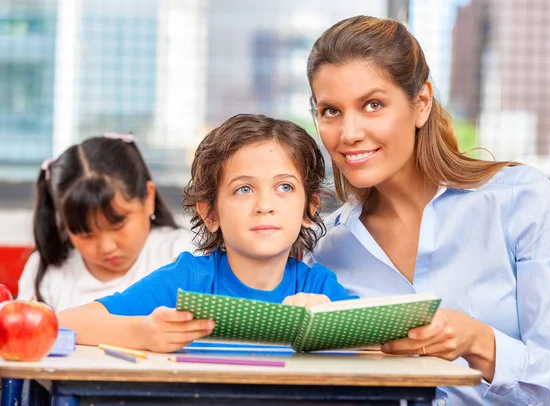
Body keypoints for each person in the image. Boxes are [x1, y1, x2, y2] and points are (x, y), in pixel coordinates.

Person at [303, 15, 550, 405]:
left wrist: (477, 340)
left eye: (373, 104)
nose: (349, 133)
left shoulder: (520, 202)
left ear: (421, 103)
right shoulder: (325, 248)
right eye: (331, 111)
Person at [58, 114, 355, 353]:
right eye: (244, 189)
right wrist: (142, 332)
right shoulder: (187, 280)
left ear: (309, 209)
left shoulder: (317, 286)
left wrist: (329, 322)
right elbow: (65, 322)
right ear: (210, 213)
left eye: (285, 187)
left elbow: (384, 339)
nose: (265, 206)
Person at [17, 134, 194, 312]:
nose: (107, 247)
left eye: (118, 225)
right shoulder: (47, 271)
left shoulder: (183, 252)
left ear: (148, 198)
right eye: (86, 234)